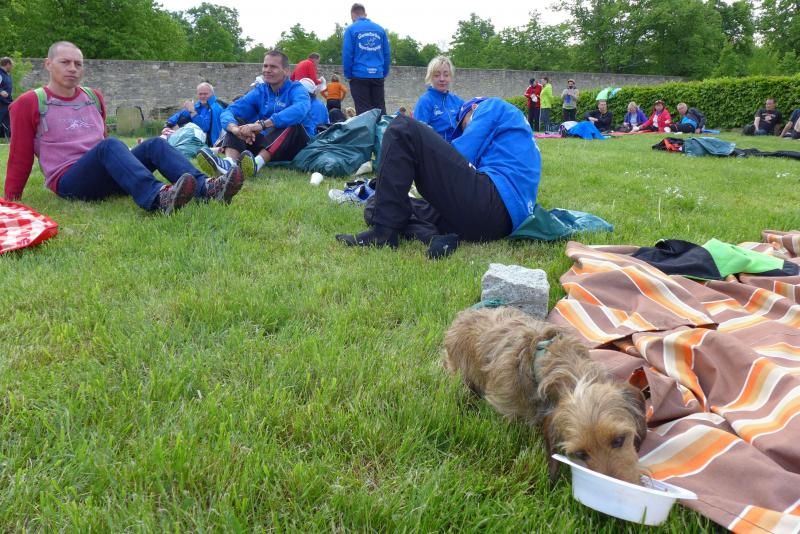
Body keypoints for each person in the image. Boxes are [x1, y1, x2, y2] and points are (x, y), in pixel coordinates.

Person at [3, 41, 243, 214]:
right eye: (65, 62)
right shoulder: (30, 102)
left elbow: (102, 140)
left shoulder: (93, 97)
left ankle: (207, 189)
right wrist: (12, 201)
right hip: (70, 181)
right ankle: (158, 198)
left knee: (155, 144)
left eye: (78, 63)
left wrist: (124, 159)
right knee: (109, 146)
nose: (73, 68)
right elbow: (19, 155)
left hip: (107, 174)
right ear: (48, 64)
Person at [335, 97, 541, 258]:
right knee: (377, 204)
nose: (464, 131)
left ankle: (384, 233)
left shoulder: (491, 106)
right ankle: (434, 237)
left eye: (463, 126)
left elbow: (461, 154)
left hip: (492, 202)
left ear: (473, 109)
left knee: (403, 128)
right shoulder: (513, 134)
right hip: (499, 222)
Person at [198, 50, 312, 180]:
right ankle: (229, 164)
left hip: (293, 146)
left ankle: (256, 165)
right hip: (266, 144)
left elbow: (300, 109)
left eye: (273, 67)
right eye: (265, 66)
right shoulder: (261, 91)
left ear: (286, 71)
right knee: (236, 121)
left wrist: (262, 125)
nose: (267, 70)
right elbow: (229, 111)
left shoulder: (296, 89)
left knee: (290, 122)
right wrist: (236, 129)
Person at [342, 3, 391, 115]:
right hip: (377, 75)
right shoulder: (380, 29)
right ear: (365, 14)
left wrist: (348, 75)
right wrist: (383, 73)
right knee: (380, 110)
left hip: (359, 75)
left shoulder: (351, 29)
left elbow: (347, 54)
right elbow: (387, 54)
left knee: (363, 113)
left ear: (352, 15)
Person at [412, 56, 464, 142]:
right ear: (430, 77)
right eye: (437, 75)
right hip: (435, 147)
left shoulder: (457, 101)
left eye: (446, 75)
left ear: (450, 77)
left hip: (457, 146)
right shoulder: (425, 101)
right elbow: (417, 134)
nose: (442, 79)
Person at [164, 82, 225, 147]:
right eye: (200, 94)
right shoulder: (199, 105)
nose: (202, 96)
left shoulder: (216, 107)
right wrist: (168, 126)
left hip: (213, 143)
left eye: (205, 94)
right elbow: (181, 115)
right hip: (200, 139)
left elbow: (205, 127)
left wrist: (193, 112)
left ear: (212, 94)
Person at [0, 57, 13, 140]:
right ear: (8, 64)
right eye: (11, 65)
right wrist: (1, 91)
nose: (12, 67)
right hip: (1, 104)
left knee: (8, 122)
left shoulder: (7, 75)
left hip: (7, 103)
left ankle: (8, 140)